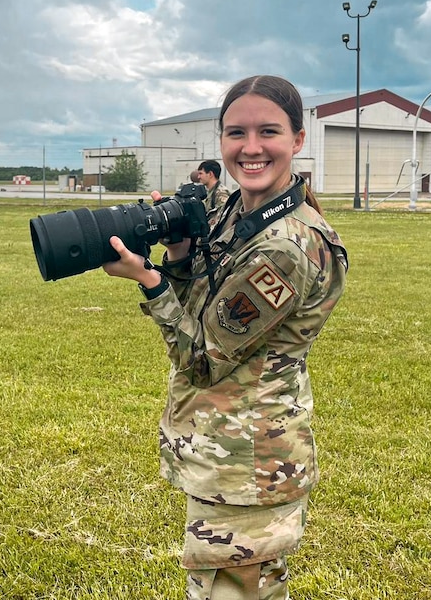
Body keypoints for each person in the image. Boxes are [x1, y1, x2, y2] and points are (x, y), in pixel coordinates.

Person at [104, 75, 348, 600]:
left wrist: (148, 282)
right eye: (236, 133)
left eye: (269, 132)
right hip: (226, 449)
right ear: (220, 141)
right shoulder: (235, 212)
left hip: (249, 460)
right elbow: (202, 305)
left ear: (298, 140)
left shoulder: (287, 246)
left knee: (233, 592)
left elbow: (201, 357)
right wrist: (176, 250)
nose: (251, 147)